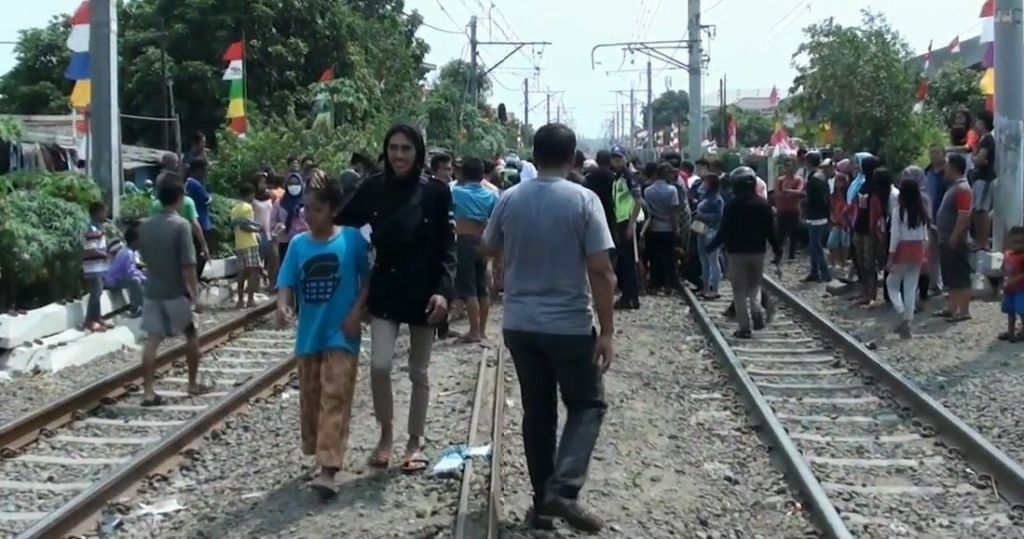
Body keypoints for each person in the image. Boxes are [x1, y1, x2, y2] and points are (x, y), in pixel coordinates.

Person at [483, 123, 615, 533]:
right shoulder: (584, 201)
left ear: (534, 155)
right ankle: (564, 487)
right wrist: (607, 330)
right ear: (573, 157)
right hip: (570, 326)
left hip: (519, 325)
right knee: (588, 404)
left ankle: (543, 505)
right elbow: (601, 270)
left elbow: (487, 248)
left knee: (537, 413)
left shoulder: (509, 199)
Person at [337, 123, 455, 474]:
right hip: (385, 288)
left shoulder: (436, 192)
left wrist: (444, 291)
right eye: (393, 148)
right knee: (380, 366)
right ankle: (386, 435)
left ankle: (414, 441)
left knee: (419, 371)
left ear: (418, 152)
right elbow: (342, 220)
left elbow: (447, 248)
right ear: (385, 151)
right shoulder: (372, 188)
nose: (399, 155)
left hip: (424, 291)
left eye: (406, 148)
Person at [276, 174, 369, 496]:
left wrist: (357, 312)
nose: (307, 215)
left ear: (333, 210)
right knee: (312, 400)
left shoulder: (353, 240)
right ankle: (320, 455)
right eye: (305, 209)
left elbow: (368, 279)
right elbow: (286, 281)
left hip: (342, 334)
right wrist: (282, 306)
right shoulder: (299, 245)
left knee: (335, 397)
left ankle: (329, 468)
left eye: (315, 209)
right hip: (309, 336)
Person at [137, 179, 208, 405]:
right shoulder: (181, 225)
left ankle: (148, 391)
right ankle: (192, 384)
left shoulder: (145, 225)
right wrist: (195, 296)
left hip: (152, 290)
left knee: (152, 340)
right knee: (190, 334)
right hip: (176, 292)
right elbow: (188, 264)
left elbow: (143, 258)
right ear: (180, 198)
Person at [706, 167, 782, 339]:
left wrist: (711, 246)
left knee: (739, 290)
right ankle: (756, 309)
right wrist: (777, 250)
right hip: (758, 252)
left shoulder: (732, 205)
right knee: (754, 285)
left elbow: (724, 230)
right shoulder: (764, 205)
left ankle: (744, 327)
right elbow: (771, 231)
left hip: (737, 253)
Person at [449, 157, 498, 343]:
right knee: (482, 287)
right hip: (484, 240)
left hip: (464, 241)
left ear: (462, 173)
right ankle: (483, 329)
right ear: (482, 174)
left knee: (468, 287)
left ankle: (474, 330)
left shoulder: (455, 192)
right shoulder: (491, 195)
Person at [886, 177, 930, 339]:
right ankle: (907, 323)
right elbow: (925, 236)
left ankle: (902, 312)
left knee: (892, 283)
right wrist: (925, 254)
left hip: (903, 249)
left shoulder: (899, 210)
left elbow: (895, 236)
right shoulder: (921, 211)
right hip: (918, 249)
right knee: (911, 287)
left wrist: (891, 256)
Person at [936, 153, 974, 322]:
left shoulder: (963, 189)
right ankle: (951, 307)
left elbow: (964, 216)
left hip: (956, 240)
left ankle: (964, 310)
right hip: (946, 239)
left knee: (960, 276)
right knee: (950, 276)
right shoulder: (954, 187)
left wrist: (955, 236)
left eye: (947, 165)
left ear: (953, 167)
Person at [609, 145, 643, 310]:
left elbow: (638, 201)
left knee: (629, 262)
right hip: (622, 222)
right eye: (614, 158)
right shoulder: (618, 177)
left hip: (630, 222)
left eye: (619, 158)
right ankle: (629, 296)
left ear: (626, 158)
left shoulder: (630, 177)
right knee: (625, 261)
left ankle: (630, 297)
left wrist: (631, 224)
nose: (616, 161)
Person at [643, 161, 681, 294]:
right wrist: (676, 229)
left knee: (655, 257)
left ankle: (655, 284)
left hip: (653, 228)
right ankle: (669, 285)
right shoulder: (672, 190)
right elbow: (674, 213)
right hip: (668, 228)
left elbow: (647, 212)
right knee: (670, 257)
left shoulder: (648, 191)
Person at [850, 155, 883, 306]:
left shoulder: (878, 187)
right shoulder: (863, 184)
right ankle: (864, 292)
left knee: (869, 262)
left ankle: (872, 294)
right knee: (860, 261)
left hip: (869, 230)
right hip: (859, 226)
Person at [231, 183, 263, 308]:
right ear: (251, 194)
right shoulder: (247, 207)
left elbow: (236, 226)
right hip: (250, 243)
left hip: (239, 244)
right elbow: (245, 226)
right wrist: (257, 229)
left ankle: (240, 300)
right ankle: (250, 299)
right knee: (253, 271)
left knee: (242, 273)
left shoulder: (235, 209)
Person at [83, 201, 112, 332]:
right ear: (97, 212)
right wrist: (106, 255)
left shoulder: (98, 228)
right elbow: (90, 250)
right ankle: (90, 321)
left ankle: (97, 317)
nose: (105, 214)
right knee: (95, 294)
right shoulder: (90, 229)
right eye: (103, 211)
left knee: (98, 293)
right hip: (92, 267)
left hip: (99, 267)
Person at [803, 152, 833, 283]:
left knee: (816, 246)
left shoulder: (815, 178)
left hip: (816, 216)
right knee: (814, 245)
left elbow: (819, 199)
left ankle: (825, 273)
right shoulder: (821, 176)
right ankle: (814, 272)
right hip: (819, 215)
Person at [694, 174, 724, 299]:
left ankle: (714, 288)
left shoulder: (717, 199)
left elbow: (718, 216)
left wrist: (701, 215)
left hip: (711, 231)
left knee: (713, 260)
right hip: (700, 229)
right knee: (703, 260)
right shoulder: (704, 197)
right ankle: (705, 286)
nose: (703, 184)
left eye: (705, 182)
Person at [104, 227, 146, 318]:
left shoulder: (129, 251)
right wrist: (144, 279)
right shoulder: (128, 253)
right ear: (134, 241)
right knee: (135, 280)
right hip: (113, 282)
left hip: (118, 279)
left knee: (140, 277)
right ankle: (138, 307)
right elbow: (130, 273)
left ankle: (138, 305)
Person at [184, 159, 215, 279]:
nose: (206, 173)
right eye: (205, 170)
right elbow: (207, 199)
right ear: (198, 170)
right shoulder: (194, 184)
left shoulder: (189, 183)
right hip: (201, 223)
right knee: (202, 253)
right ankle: (194, 279)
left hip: (198, 222)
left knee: (198, 254)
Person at [972, 110, 997, 251]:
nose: (976, 124)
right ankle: (979, 240)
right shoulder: (980, 139)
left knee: (982, 210)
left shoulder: (987, 139)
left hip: (985, 178)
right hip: (978, 178)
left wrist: (977, 159)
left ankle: (984, 241)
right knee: (976, 210)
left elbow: (979, 160)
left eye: (979, 122)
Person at [271, 173, 309, 262]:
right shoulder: (279, 203)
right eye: (291, 184)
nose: (294, 187)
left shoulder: (307, 202)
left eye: (296, 184)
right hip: (285, 241)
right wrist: (278, 226)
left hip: (304, 239)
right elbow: (272, 222)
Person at [773, 158, 804, 261]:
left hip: (794, 209)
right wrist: (792, 194)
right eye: (787, 166)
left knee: (793, 232)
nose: (789, 168)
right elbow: (777, 194)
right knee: (780, 234)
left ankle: (792, 254)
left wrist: (787, 191)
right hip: (782, 209)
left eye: (791, 166)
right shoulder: (780, 180)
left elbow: (800, 192)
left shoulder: (798, 179)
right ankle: (778, 255)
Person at [252, 173, 278, 290]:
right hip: (257, 233)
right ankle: (255, 287)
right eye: (260, 182)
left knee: (273, 259)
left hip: (270, 232)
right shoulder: (252, 198)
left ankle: (272, 284)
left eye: (264, 182)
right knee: (257, 262)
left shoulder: (270, 196)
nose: (262, 184)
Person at [827, 159, 852, 278]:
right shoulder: (833, 196)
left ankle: (843, 263)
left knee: (845, 243)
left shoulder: (848, 195)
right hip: (836, 221)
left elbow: (849, 207)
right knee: (832, 243)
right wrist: (834, 217)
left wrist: (842, 217)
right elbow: (831, 207)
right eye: (837, 182)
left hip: (845, 222)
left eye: (841, 182)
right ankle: (836, 262)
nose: (839, 184)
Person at [1000, 227, 1024, 341]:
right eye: (1012, 242)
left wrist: (1013, 280)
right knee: (1010, 311)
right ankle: (1010, 332)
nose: (1015, 245)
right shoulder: (1008, 254)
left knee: (1022, 311)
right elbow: (1003, 268)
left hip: (1021, 289)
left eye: (1019, 243)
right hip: (1009, 290)